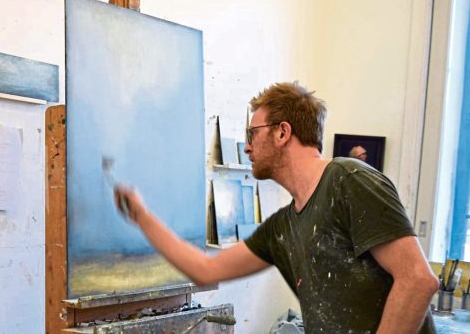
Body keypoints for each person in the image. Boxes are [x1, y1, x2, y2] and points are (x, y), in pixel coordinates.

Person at [115, 81, 438, 333]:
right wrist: (143, 217)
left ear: (283, 132)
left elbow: (417, 280)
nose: (247, 146)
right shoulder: (283, 227)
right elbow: (206, 269)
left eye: (252, 133)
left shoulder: (348, 178)